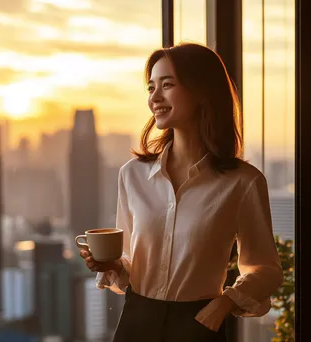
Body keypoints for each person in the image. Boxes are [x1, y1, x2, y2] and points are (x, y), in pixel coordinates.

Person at [80, 43, 284, 342]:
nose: (155, 98)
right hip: (136, 321)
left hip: (199, 325)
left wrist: (225, 302)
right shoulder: (132, 174)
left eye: (167, 85)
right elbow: (129, 262)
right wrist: (111, 265)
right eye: (151, 87)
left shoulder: (243, 182)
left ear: (202, 91)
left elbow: (266, 268)